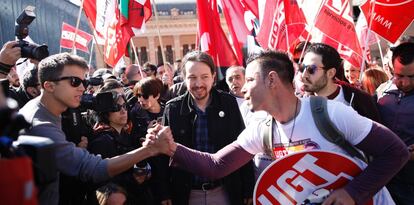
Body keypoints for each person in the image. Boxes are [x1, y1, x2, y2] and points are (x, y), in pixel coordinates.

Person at [147, 50, 409, 205]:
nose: (243, 87)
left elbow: (395, 152)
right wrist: (170, 148)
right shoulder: (261, 128)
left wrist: (353, 192)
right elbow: (216, 165)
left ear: (271, 80)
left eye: (250, 79)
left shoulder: (330, 113)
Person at [18, 53, 157, 205]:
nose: (82, 88)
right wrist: (149, 149)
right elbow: (92, 169)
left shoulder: (57, 110)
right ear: (49, 86)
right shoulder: (40, 125)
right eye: (74, 81)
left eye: (84, 81)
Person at [160, 51, 254, 205]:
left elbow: (243, 146)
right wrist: (164, 192)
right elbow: (163, 154)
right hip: (187, 194)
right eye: (192, 77)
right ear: (184, 79)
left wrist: (248, 187)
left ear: (213, 77)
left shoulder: (228, 103)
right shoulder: (173, 109)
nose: (198, 84)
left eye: (204, 77)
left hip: (225, 191)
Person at [300, 43, 381, 122]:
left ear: (331, 73)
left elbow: (377, 133)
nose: (304, 75)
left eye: (311, 69)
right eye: (302, 67)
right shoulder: (300, 105)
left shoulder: (362, 101)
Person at [376, 42, 414, 205]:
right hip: (384, 180)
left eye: (412, 77)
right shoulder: (381, 92)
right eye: (399, 76)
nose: (405, 83)